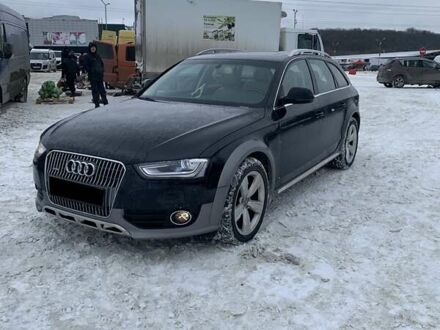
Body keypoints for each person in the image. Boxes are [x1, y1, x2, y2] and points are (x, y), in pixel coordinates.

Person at [84, 42, 108, 108]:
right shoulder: (87, 56)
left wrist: (102, 70)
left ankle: (105, 103)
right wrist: (91, 71)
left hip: (99, 76)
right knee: (95, 91)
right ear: (90, 48)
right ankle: (97, 104)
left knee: (102, 91)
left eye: (94, 47)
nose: (93, 49)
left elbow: (102, 64)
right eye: (92, 48)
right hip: (93, 77)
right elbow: (86, 66)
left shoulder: (98, 56)